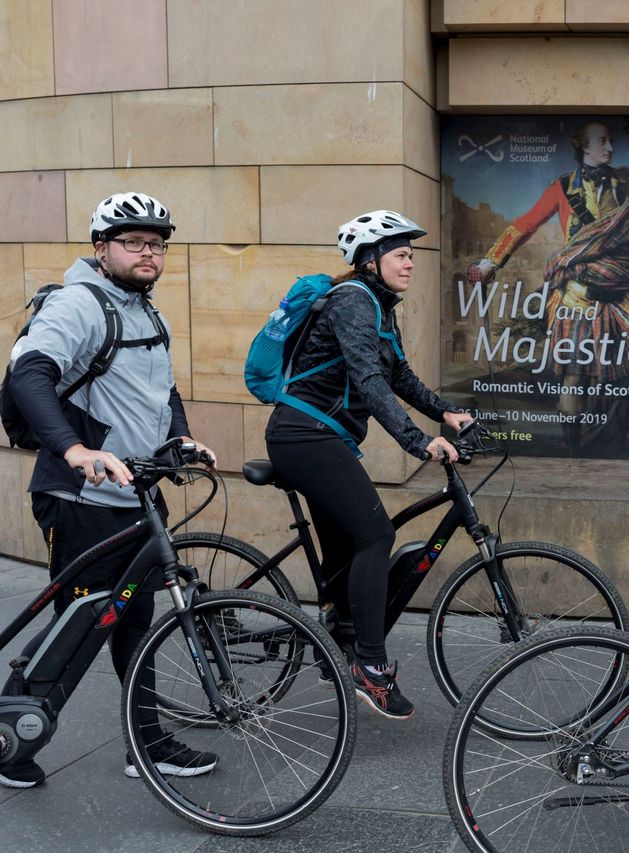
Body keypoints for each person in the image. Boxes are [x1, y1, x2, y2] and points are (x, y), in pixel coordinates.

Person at [2, 192, 219, 789]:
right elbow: (30, 376)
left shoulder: (150, 314)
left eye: (157, 244)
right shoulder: (78, 304)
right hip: (79, 499)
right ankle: (7, 736)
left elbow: (162, 393)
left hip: (135, 496)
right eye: (133, 242)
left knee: (134, 620)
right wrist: (75, 450)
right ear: (102, 249)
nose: (148, 253)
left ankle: (146, 744)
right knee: (81, 623)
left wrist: (181, 437)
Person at [265, 210, 473, 720]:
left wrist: (444, 411)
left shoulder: (378, 304)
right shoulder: (353, 300)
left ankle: (340, 638)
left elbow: (397, 373)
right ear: (371, 259)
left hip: (322, 436)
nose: (410, 264)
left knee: (350, 548)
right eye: (402, 255)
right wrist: (417, 441)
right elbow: (367, 380)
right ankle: (370, 668)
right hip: (304, 435)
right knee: (376, 536)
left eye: (411, 255)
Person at [468, 120, 629, 455]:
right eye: (601, 141)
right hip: (578, 299)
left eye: (611, 141)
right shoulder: (562, 188)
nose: (610, 148)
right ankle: (574, 459)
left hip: (627, 297)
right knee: (575, 378)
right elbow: (526, 224)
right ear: (584, 147)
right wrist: (491, 262)